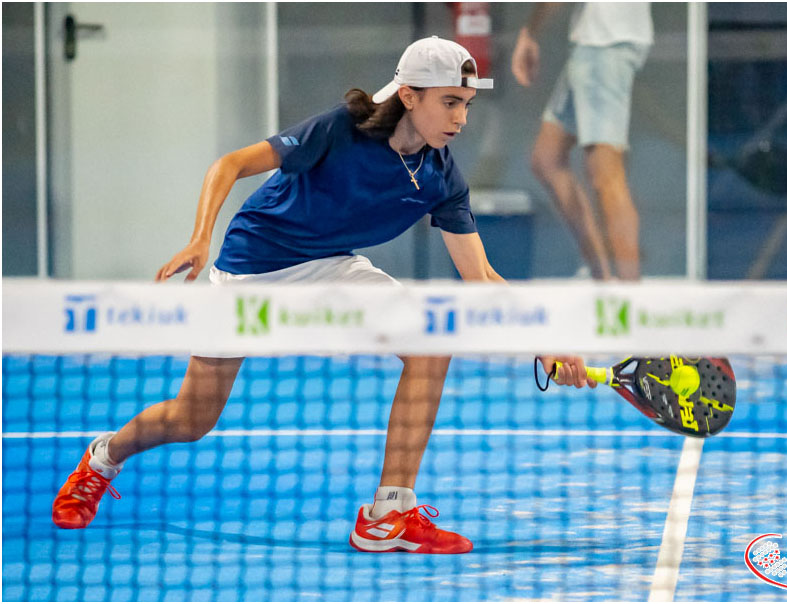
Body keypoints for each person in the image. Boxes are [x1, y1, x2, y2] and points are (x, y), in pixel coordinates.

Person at [51, 36, 595, 554]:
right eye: (450, 102)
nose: (461, 119)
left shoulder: (440, 177)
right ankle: (102, 458)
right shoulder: (341, 130)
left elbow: (481, 276)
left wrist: (543, 340)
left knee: (430, 341)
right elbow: (231, 164)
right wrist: (200, 238)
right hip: (252, 270)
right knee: (191, 419)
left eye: (467, 105)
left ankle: (387, 516)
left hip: (331, 266)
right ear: (409, 96)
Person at [511, 2, 653, 280]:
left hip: (605, 39)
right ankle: (604, 280)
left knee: (605, 172)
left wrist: (529, 32)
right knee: (547, 158)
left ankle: (630, 296)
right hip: (600, 37)